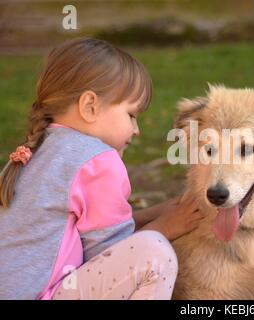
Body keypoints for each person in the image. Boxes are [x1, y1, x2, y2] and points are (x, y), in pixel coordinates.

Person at [0, 38, 204, 300]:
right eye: (131, 115)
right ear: (90, 106)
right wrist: (166, 227)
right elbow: (112, 254)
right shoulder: (96, 160)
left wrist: (158, 212)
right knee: (153, 253)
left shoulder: (34, 151)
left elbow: (87, 229)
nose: (136, 129)